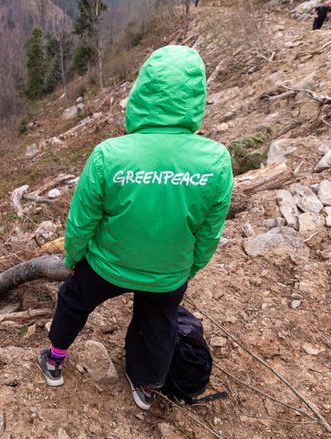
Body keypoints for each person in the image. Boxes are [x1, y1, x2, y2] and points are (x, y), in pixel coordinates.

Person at [36, 45, 233, 411]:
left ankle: (54, 360)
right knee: (158, 321)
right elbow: (209, 231)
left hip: (107, 265)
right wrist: (188, 268)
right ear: (196, 98)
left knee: (74, 301)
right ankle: (147, 386)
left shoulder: (110, 154)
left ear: (142, 91)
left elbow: (82, 219)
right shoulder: (217, 161)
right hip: (168, 273)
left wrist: (74, 256)